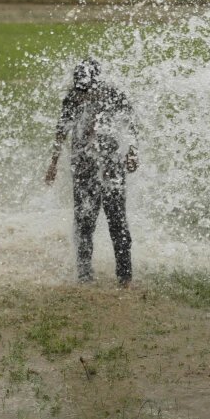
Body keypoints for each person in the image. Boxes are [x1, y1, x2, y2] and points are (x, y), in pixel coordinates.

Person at [45, 59, 139, 287]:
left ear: (97, 83)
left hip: (110, 167)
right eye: (79, 89)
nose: (83, 95)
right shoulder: (71, 99)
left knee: (117, 222)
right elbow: (61, 132)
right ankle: (85, 275)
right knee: (84, 222)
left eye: (86, 90)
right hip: (83, 168)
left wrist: (133, 151)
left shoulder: (112, 95)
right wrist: (53, 164)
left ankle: (124, 277)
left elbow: (131, 121)